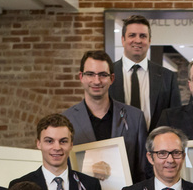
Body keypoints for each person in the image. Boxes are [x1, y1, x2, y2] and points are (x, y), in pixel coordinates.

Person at [62, 50, 148, 181]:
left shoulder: (135, 118)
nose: (96, 81)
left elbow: (143, 170)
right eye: (90, 74)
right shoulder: (66, 120)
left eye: (102, 75)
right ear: (81, 77)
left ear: (111, 78)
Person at [10, 113, 104, 190]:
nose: (57, 148)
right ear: (38, 143)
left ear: (71, 144)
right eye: (49, 141)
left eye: (63, 141)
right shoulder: (19, 185)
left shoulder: (91, 186)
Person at [110, 14, 182, 132]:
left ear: (149, 41)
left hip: (157, 148)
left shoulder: (168, 77)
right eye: (132, 35)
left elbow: (176, 118)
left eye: (143, 36)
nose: (138, 40)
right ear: (123, 39)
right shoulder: (108, 74)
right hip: (118, 147)